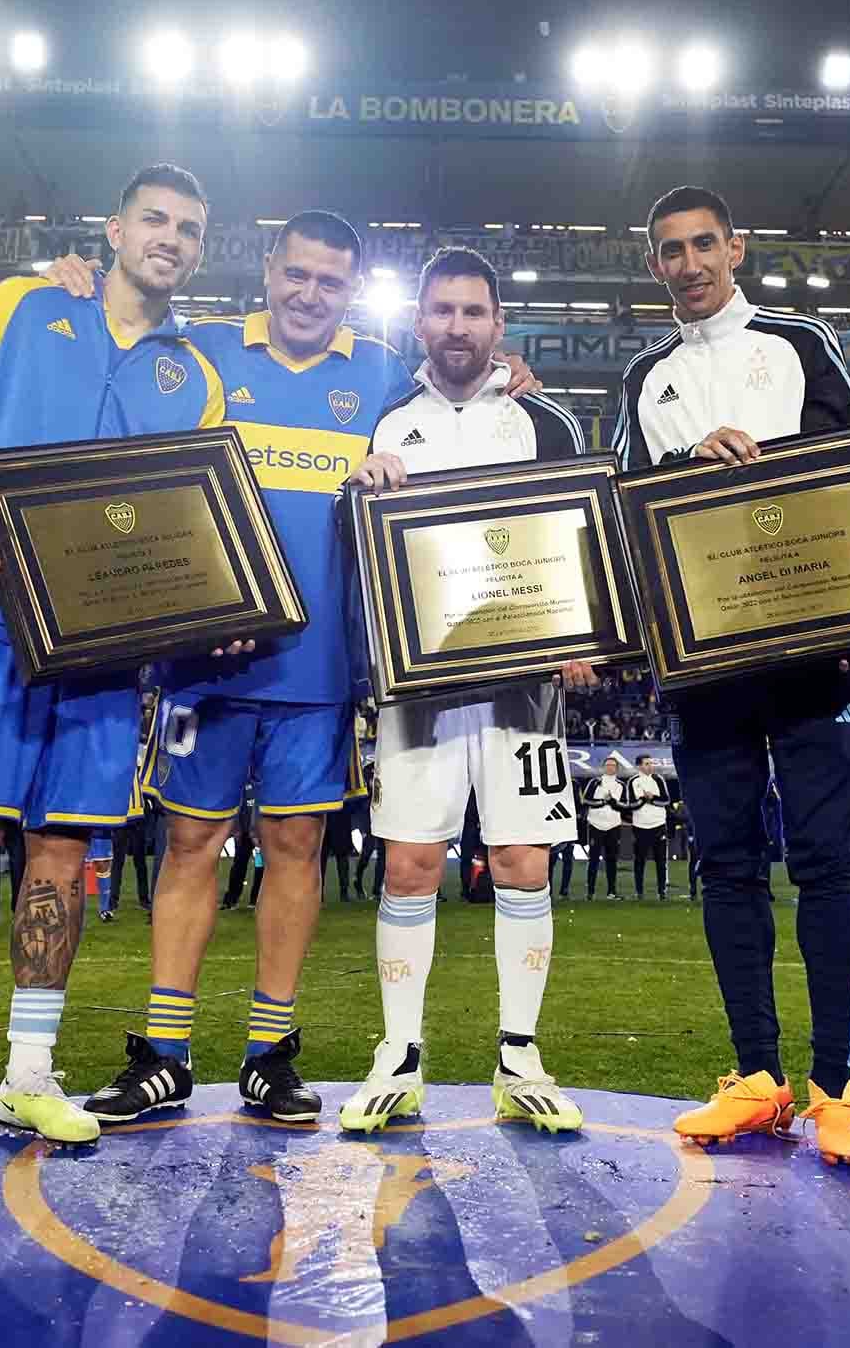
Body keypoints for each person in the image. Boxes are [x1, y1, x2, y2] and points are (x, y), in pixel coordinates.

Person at [53, 216, 540, 1126]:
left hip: (318, 668)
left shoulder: (383, 380)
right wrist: (73, 287)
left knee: (296, 850)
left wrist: (516, 379)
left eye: (331, 282)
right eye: (297, 276)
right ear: (268, 271)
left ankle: (270, 1054)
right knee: (190, 845)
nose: (311, 295)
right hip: (206, 658)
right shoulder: (198, 353)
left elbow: (462, 384)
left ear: (352, 292)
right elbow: (118, 373)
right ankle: (164, 1053)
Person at [0, 163, 235, 1169]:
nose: (168, 237)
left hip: (107, 651)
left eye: (188, 229)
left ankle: (28, 1075)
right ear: (114, 227)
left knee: (65, 859)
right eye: (153, 218)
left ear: (199, 251)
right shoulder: (24, 305)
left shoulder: (193, 375)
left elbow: (190, 527)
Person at [613, 184, 850, 1167]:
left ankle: (833, 1089)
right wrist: (688, 466)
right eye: (668, 250)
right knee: (725, 862)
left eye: (702, 244)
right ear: (650, 265)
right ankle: (756, 1079)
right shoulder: (643, 379)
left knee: (824, 861)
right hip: (704, 660)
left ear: (735, 248)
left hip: (811, 648)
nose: (687, 262)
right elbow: (625, 516)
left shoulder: (796, 344)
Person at [338, 246, 594, 1135]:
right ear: (420, 322)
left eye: (473, 313)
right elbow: (353, 547)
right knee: (410, 864)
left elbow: (580, 532)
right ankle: (398, 1057)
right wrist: (357, 490)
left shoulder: (543, 420)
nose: (457, 327)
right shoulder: (384, 418)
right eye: (442, 311)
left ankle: (519, 1056)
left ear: (499, 324)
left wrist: (584, 634)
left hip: (524, 686)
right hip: (419, 688)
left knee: (524, 861)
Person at [579, 754, 625, 899]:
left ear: (617, 768)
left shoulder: (621, 785)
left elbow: (625, 806)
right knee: (593, 859)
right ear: (603, 767)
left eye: (613, 765)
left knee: (612, 859)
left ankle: (611, 892)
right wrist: (602, 802)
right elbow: (585, 801)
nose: (610, 767)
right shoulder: (594, 782)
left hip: (614, 825)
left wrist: (613, 802)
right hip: (595, 825)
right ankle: (590, 893)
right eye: (608, 765)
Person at [628, 753, 670, 901]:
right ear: (639, 766)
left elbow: (666, 800)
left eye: (651, 763)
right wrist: (642, 800)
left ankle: (662, 891)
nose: (650, 766)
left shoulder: (659, 779)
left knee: (661, 860)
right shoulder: (633, 781)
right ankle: (639, 892)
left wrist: (652, 798)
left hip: (658, 824)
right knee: (639, 860)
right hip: (640, 826)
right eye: (647, 763)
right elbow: (631, 804)